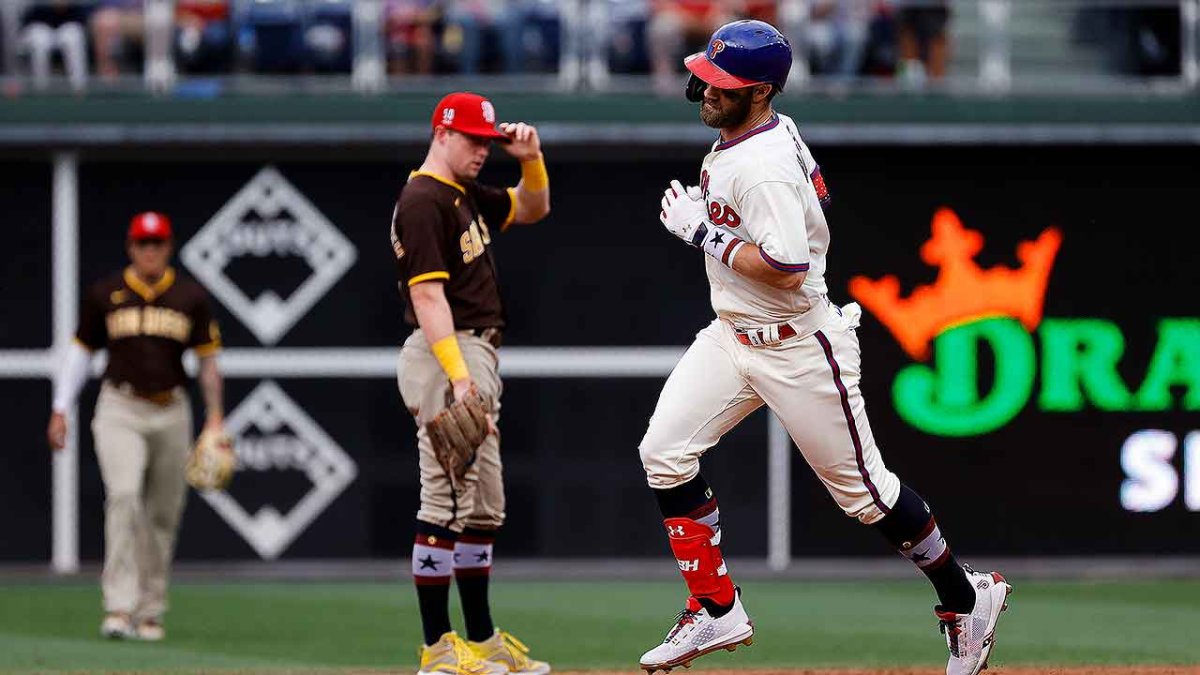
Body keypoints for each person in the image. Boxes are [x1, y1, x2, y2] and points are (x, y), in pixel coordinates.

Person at [636, 20, 1012, 675]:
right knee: (664, 453)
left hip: (797, 345)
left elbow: (783, 264)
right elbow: (818, 202)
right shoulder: (758, 135)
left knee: (866, 496)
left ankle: (965, 595)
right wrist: (724, 220)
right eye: (709, 75)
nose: (706, 89)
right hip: (732, 335)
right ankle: (716, 607)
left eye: (724, 83)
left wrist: (705, 231)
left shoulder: (761, 164)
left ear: (759, 89)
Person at [391, 91, 551, 675]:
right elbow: (427, 295)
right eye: (472, 140)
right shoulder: (422, 199)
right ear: (441, 133)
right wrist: (460, 382)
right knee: (446, 496)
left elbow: (532, 209)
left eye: (488, 141)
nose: (482, 150)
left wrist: (529, 159)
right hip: (447, 352)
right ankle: (438, 649)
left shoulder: (462, 194)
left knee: (483, 504)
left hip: (474, 351)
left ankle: (481, 643)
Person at [47, 212, 225, 642]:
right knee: (124, 497)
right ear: (131, 247)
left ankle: (150, 610)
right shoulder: (106, 293)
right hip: (120, 406)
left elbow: (207, 363)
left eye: (157, 243)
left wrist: (216, 418)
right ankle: (119, 607)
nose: (150, 251)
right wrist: (60, 406)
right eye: (143, 243)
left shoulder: (189, 296)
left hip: (171, 409)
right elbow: (80, 353)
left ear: (169, 247)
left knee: (162, 513)